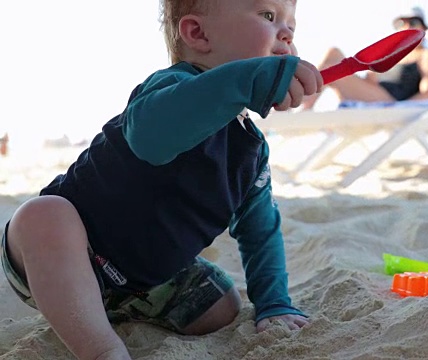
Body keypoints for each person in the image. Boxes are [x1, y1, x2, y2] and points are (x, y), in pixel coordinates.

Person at [0, 0, 322, 359]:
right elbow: (153, 137)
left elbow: (260, 232)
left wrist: (274, 303)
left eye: (292, 25)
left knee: (222, 305)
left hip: (142, 282)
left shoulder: (251, 149)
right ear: (198, 33)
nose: (287, 33)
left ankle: (107, 309)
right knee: (43, 215)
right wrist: (246, 79)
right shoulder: (170, 88)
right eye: (268, 16)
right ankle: (101, 347)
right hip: (67, 251)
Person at [301, 6, 428, 110]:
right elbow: (371, 80)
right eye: (400, 23)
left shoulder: (427, 55)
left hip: (391, 101)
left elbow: (427, 94)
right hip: (374, 94)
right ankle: (304, 102)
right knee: (334, 53)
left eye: (412, 22)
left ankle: (301, 103)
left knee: (332, 69)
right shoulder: (393, 56)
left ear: (423, 28)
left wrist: (397, 109)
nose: (406, 27)